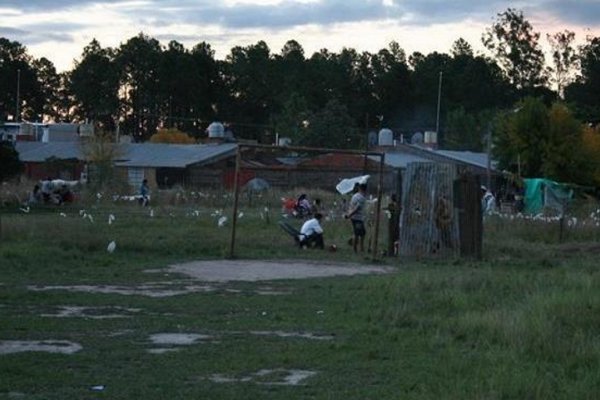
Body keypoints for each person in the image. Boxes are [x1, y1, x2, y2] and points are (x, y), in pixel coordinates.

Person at [345, 183, 367, 252]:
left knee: (362, 233)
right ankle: (356, 249)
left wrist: (349, 214)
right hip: (357, 218)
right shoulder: (361, 197)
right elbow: (357, 208)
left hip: (355, 217)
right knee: (357, 233)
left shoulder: (355, 196)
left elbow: (352, 206)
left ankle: (360, 248)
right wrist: (349, 215)